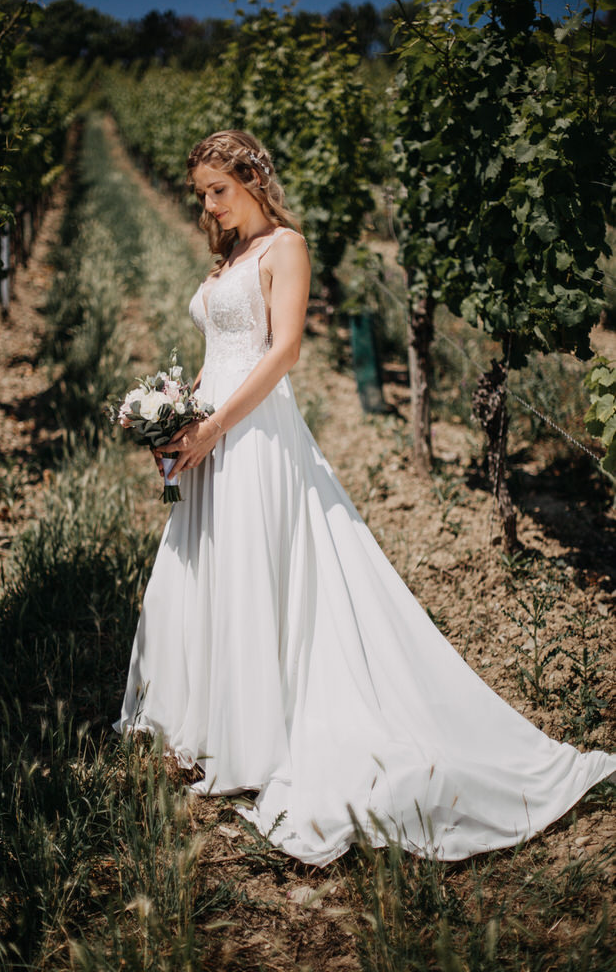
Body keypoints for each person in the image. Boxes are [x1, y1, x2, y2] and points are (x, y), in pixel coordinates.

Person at [115, 130, 614, 867]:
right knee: (207, 567)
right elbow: (221, 352)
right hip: (211, 430)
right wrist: (178, 417)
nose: (208, 205)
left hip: (252, 434)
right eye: (200, 195)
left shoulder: (286, 245)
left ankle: (264, 737)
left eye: (217, 189)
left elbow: (281, 350)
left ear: (253, 175)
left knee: (258, 569)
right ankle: (213, 727)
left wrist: (217, 423)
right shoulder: (226, 259)